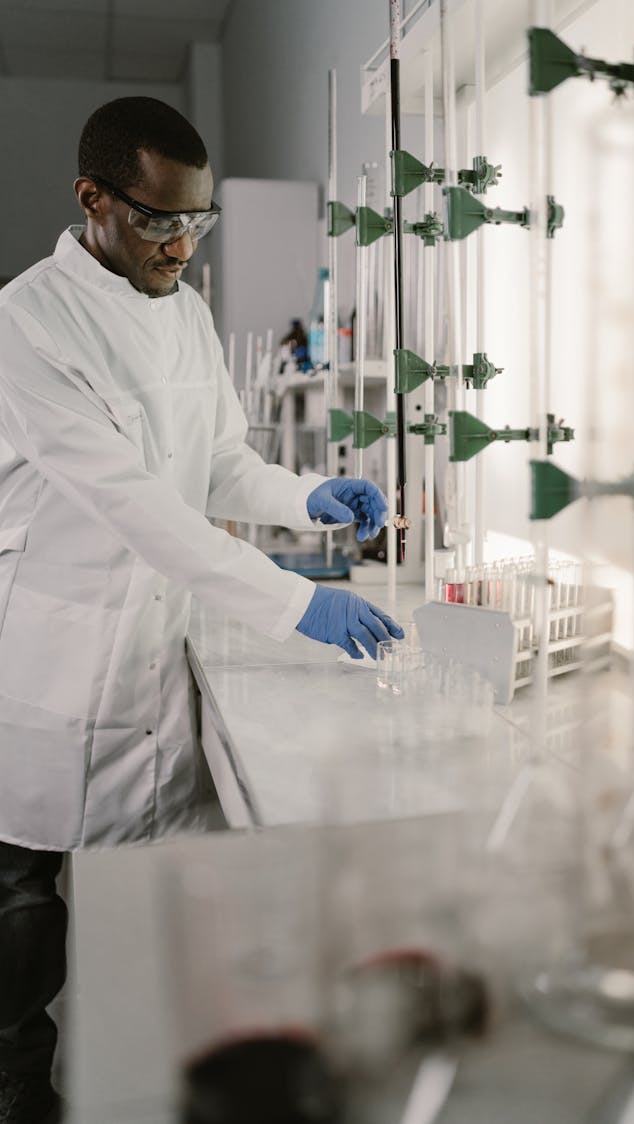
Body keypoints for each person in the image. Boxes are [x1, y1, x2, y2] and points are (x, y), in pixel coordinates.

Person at [0, 96, 403, 1123]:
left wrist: (302, 495)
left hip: (146, 652)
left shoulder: (177, 304)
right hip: (47, 659)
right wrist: (288, 601)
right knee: (18, 930)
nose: (182, 241)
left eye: (199, 220)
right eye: (160, 218)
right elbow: (133, 502)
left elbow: (219, 460)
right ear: (93, 200)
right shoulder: (25, 322)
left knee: (135, 920)